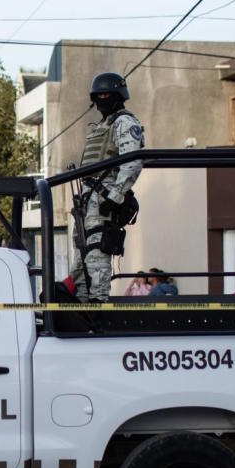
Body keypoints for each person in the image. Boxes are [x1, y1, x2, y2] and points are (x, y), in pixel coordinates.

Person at [70, 72, 144, 302]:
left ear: (118, 95)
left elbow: (132, 162)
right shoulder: (101, 126)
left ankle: (97, 308)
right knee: (81, 257)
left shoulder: (124, 123)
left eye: (106, 94)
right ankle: (82, 308)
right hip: (87, 200)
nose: (102, 99)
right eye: (98, 95)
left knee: (97, 255)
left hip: (104, 199)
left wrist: (115, 196)